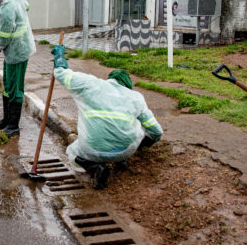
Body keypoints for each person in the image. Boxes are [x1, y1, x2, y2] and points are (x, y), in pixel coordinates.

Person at [50, 44, 163, 189]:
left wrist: (59, 56)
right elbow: (156, 131)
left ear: (110, 79)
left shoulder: (90, 84)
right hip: (126, 150)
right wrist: (143, 146)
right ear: (127, 86)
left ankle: (96, 167)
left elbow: (60, 73)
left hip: (92, 149)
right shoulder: (136, 97)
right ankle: (121, 161)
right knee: (136, 132)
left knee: (72, 152)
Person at [0, 0, 35, 137]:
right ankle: (7, 120)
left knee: (15, 87)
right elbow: (26, 6)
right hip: (14, 49)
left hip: (17, 50)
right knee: (7, 84)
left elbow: (4, 36)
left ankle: (13, 126)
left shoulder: (7, 9)